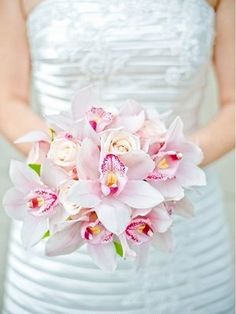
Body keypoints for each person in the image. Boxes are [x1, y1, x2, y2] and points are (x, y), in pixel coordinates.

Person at [0, 0, 235, 313]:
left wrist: (160, 166)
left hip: (183, 222)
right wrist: (74, 164)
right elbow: (8, 99)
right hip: (64, 233)